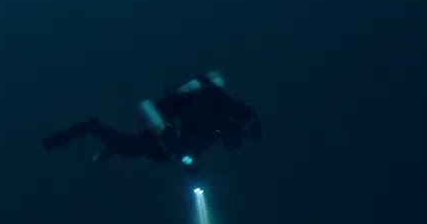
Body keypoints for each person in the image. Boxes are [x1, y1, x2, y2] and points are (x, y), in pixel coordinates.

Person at [40, 71, 262, 170]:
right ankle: (93, 136)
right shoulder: (211, 101)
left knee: (125, 146)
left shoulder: (213, 106)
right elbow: (241, 113)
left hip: (167, 147)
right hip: (164, 143)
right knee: (124, 145)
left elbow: (242, 117)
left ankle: (102, 143)